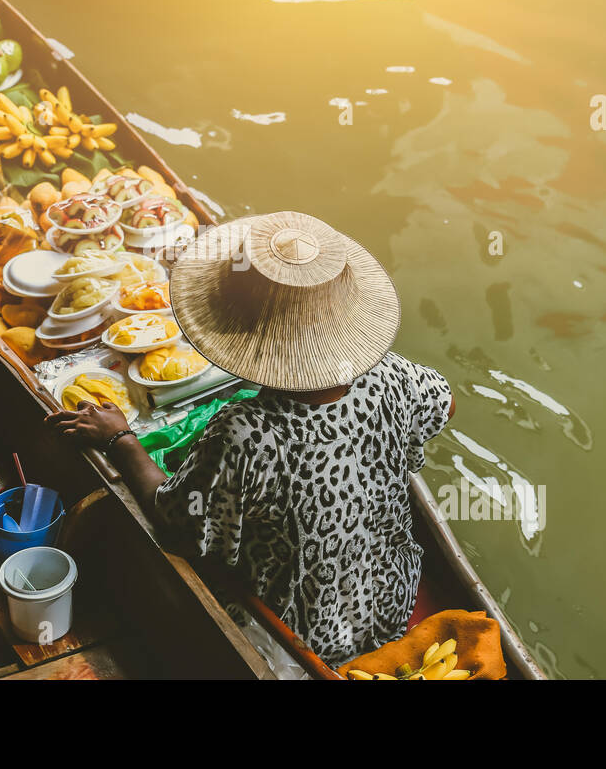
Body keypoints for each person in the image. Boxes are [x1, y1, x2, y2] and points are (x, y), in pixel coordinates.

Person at [46, 211, 454, 665]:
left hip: (299, 637)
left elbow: (178, 521)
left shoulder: (246, 431)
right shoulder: (394, 374)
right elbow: (445, 403)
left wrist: (120, 438)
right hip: (392, 596)